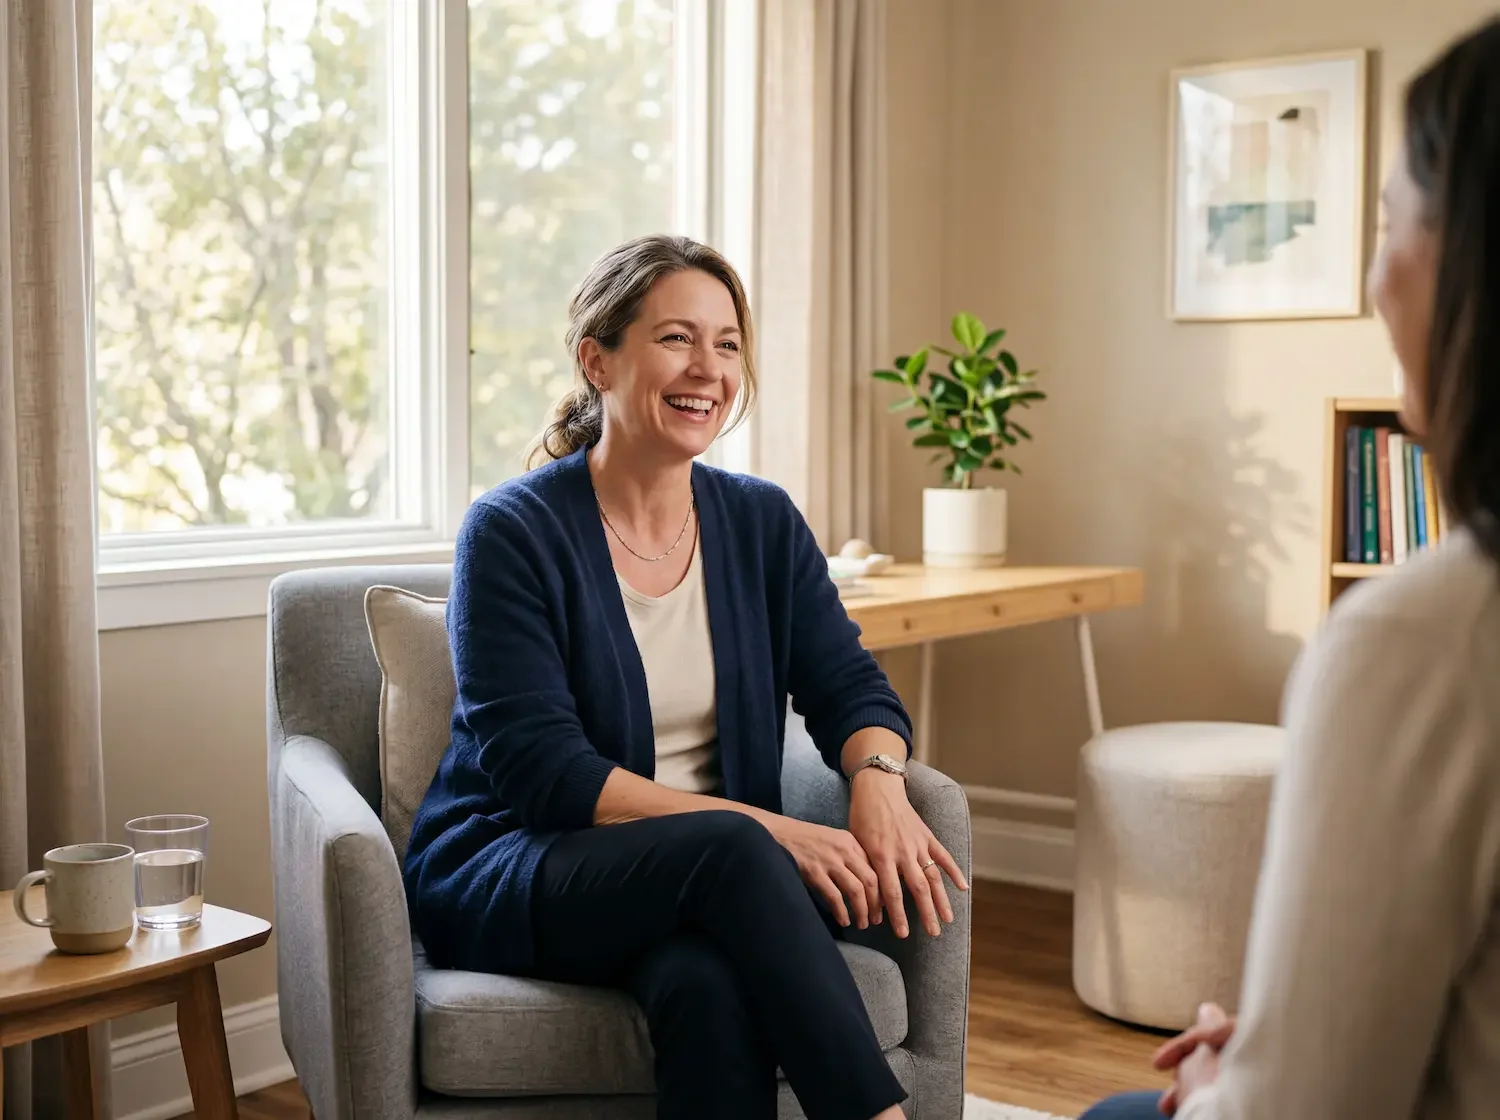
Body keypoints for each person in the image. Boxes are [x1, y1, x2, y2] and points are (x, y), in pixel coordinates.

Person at [403, 233, 969, 1120]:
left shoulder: (760, 521)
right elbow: (546, 777)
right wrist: (769, 833)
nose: (708, 368)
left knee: (706, 987)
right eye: (676, 338)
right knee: (738, 848)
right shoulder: (512, 531)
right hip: (522, 866)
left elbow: (848, 685)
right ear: (598, 359)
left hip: (710, 885)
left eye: (728, 343)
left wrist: (880, 780)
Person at [1083, 16, 1500, 1120]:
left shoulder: (1421, 639)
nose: (1372, 281)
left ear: (1469, 260)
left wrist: (1236, 1072)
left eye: (1387, 224)